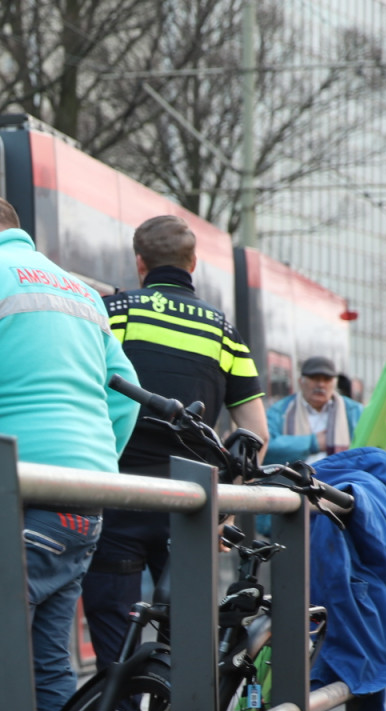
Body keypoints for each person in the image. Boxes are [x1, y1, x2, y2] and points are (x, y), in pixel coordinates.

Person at [0, 193, 140, 711]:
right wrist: (93, 459)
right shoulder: (79, 290)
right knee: (49, 659)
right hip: (84, 491)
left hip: (14, 491)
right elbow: (126, 393)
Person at [83, 215, 266, 669]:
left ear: (139, 263)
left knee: (114, 641)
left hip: (115, 496)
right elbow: (256, 434)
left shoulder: (114, 312)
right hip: (188, 507)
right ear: (194, 263)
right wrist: (222, 510)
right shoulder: (223, 332)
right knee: (185, 642)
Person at [265, 355, 362, 465]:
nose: (321, 384)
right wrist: (313, 443)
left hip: (342, 479)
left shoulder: (354, 411)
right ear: (301, 381)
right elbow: (266, 447)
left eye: (327, 379)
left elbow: (368, 449)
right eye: (315, 378)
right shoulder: (280, 410)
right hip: (290, 481)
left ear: (335, 383)